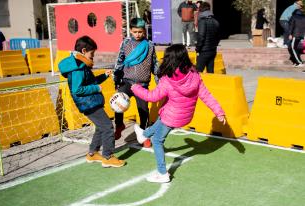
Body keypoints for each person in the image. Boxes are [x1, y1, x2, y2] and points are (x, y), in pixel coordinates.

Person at [131, 44, 226, 183]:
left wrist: (135, 88)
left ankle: (162, 173)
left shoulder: (167, 79)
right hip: (185, 116)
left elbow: (152, 97)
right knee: (161, 119)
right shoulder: (194, 74)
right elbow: (207, 95)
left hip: (172, 116)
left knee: (157, 140)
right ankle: (143, 135)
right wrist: (219, 112)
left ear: (170, 60)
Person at [58, 36, 125, 168]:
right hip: (88, 103)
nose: (93, 57)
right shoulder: (77, 68)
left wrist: (104, 76)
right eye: (92, 54)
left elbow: (90, 81)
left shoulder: (81, 64)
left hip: (91, 101)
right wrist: (96, 88)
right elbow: (77, 89)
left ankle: (93, 153)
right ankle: (108, 156)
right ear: (83, 51)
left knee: (101, 127)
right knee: (108, 127)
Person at [113, 18, 159, 148]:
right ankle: (119, 125)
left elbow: (155, 64)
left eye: (140, 32)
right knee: (118, 101)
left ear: (144, 31)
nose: (138, 34)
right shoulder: (126, 43)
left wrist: (159, 80)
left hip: (142, 85)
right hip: (126, 82)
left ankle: (144, 135)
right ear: (130, 31)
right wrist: (116, 78)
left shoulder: (150, 45)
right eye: (135, 32)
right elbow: (120, 60)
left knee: (143, 110)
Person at [195, 2, 220, 73]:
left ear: (201, 10)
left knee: (197, 73)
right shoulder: (215, 21)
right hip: (213, 50)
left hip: (204, 51)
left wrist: (198, 48)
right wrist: (214, 45)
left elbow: (201, 36)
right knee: (210, 72)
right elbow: (218, 37)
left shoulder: (202, 21)